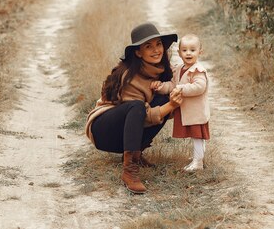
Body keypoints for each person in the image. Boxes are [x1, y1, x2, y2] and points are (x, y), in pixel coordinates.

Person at [85, 22, 183, 194]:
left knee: (163, 97)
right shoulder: (129, 76)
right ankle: (129, 171)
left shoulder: (161, 70)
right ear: (138, 52)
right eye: (148, 46)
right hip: (103, 129)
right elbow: (140, 115)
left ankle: (133, 153)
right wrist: (172, 105)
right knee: (139, 106)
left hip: (127, 128)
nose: (156, 50)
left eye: (158, 44)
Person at [152, 34, 210, 171]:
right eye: (184, 50)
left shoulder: (198, 70)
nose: (188, 53)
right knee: (195, 136)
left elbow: (199, 87)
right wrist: (161, 87)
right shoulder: (179, 69)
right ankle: (198, 156)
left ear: (200, 52)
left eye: (192, 50)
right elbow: (173, 84)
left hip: (196, 111)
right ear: (179, 53)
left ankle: (198, 162)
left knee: (197, 136)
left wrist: (181, 89)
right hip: (187, 111)